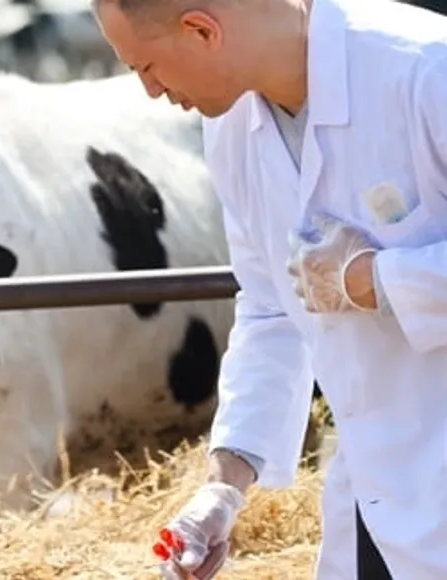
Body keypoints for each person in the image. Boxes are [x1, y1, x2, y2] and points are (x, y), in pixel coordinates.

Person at [91, 0, 447, 578]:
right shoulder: (231, 126)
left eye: (146, 68)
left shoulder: (426, 68)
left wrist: (377, 279)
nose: (152, 92)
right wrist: (224, 488)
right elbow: (269, 306)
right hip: (378, 496)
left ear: (201, 29)